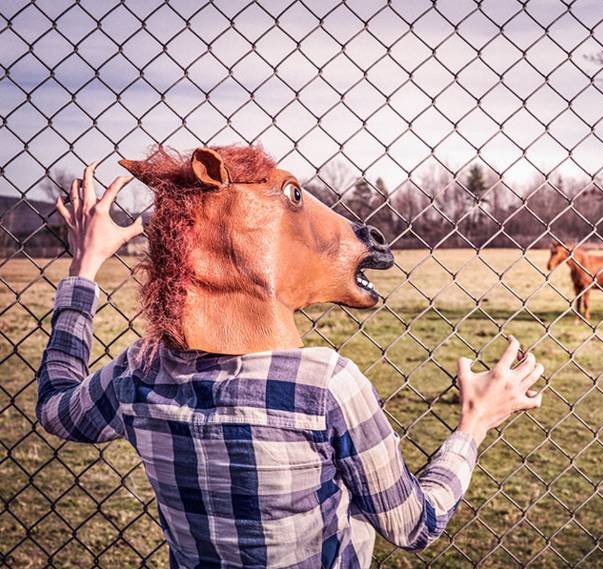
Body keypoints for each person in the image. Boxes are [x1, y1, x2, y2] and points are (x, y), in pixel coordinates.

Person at [37, 159, 545, 568]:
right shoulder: (324, 385)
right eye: (293, 198)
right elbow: (414, 526)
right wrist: (474, 423)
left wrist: (84, 269)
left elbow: (57, 408)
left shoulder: (139, 373)